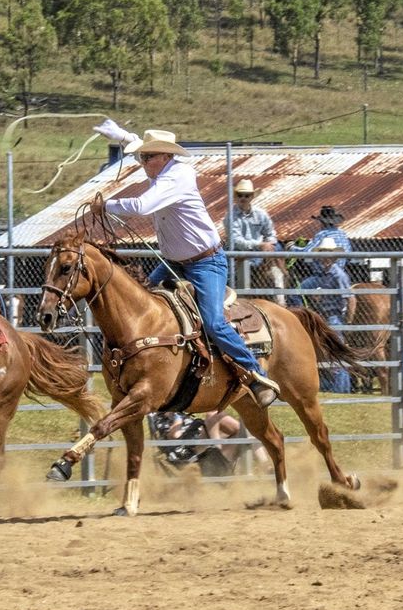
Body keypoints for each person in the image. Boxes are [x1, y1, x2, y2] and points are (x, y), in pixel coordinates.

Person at [92, 128, 281, 408]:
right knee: (143, 307)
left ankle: (256, 375)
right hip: (174, 264)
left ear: (166, 156)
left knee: (214, 322)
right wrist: (121, 135)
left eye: (148, 157)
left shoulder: (177, 177)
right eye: (142, 157)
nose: (143, 163)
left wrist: (106, 205)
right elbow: (137, 148)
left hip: (206, 262)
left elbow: (143, 205)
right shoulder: (162, 169)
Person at [288, 237, 355, 393]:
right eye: (323, 253)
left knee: (335, 355)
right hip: (322, 317)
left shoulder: (338, 275)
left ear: (333, 256)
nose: (325, 257)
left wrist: (348, 322)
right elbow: (300, 290)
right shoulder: (318, 276)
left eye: (328, 254)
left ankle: (341, 390)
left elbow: (350, 298)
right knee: (325, 353)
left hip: (333, 317)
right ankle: (332, 387)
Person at [229, 178, 284, 299]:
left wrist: (269, 244)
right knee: (242, 269)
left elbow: (270, 233)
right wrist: (260, 245)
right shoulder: (230, 216)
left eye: (247, 195)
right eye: (240, 195)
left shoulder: (261, 214)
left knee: (277, 268)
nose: (243, 198)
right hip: (241, 255)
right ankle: (244, 300)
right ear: (236, 197)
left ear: (251, 197)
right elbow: (237, 241)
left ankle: (281, 300)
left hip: (262, 254)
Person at [291, 205, 352, 274]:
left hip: (323, 272)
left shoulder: (322, 234)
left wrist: (292, 248)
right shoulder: (342, 233)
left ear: (322, 222)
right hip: (340, 271)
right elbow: (349, 252)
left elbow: (307, 252)